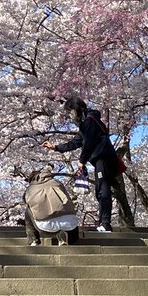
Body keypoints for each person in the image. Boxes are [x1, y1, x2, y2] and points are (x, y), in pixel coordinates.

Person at [41, 95, 119, 233]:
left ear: (77, 109)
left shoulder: (90, 121)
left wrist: (82, 161)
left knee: (103, 190)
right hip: (101, 159)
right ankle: (103, 224)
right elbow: (76, 142)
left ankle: (105, 224)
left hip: (104, 158)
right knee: (100, 190)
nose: (70, 115)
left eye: (71, 111)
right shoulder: (87, 123)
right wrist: (55, 147)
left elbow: (88, 143)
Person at [23, 167, 78, 246]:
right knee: (68, 206)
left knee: (29, 209)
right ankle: (70, 238)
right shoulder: (57, 182)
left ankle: (33, 240)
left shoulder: (30, 189)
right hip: (70, 224)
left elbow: (25, 200)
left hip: (46, 227)